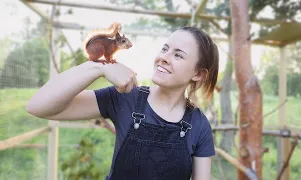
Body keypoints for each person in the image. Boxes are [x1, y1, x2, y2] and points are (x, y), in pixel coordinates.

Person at [26, 26, 219, 180]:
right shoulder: (125, 97)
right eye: (165, 49)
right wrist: (97, 68)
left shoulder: (199, 125)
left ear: (198, 74)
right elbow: (38, 105)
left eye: (178, 55)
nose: (164, 58)